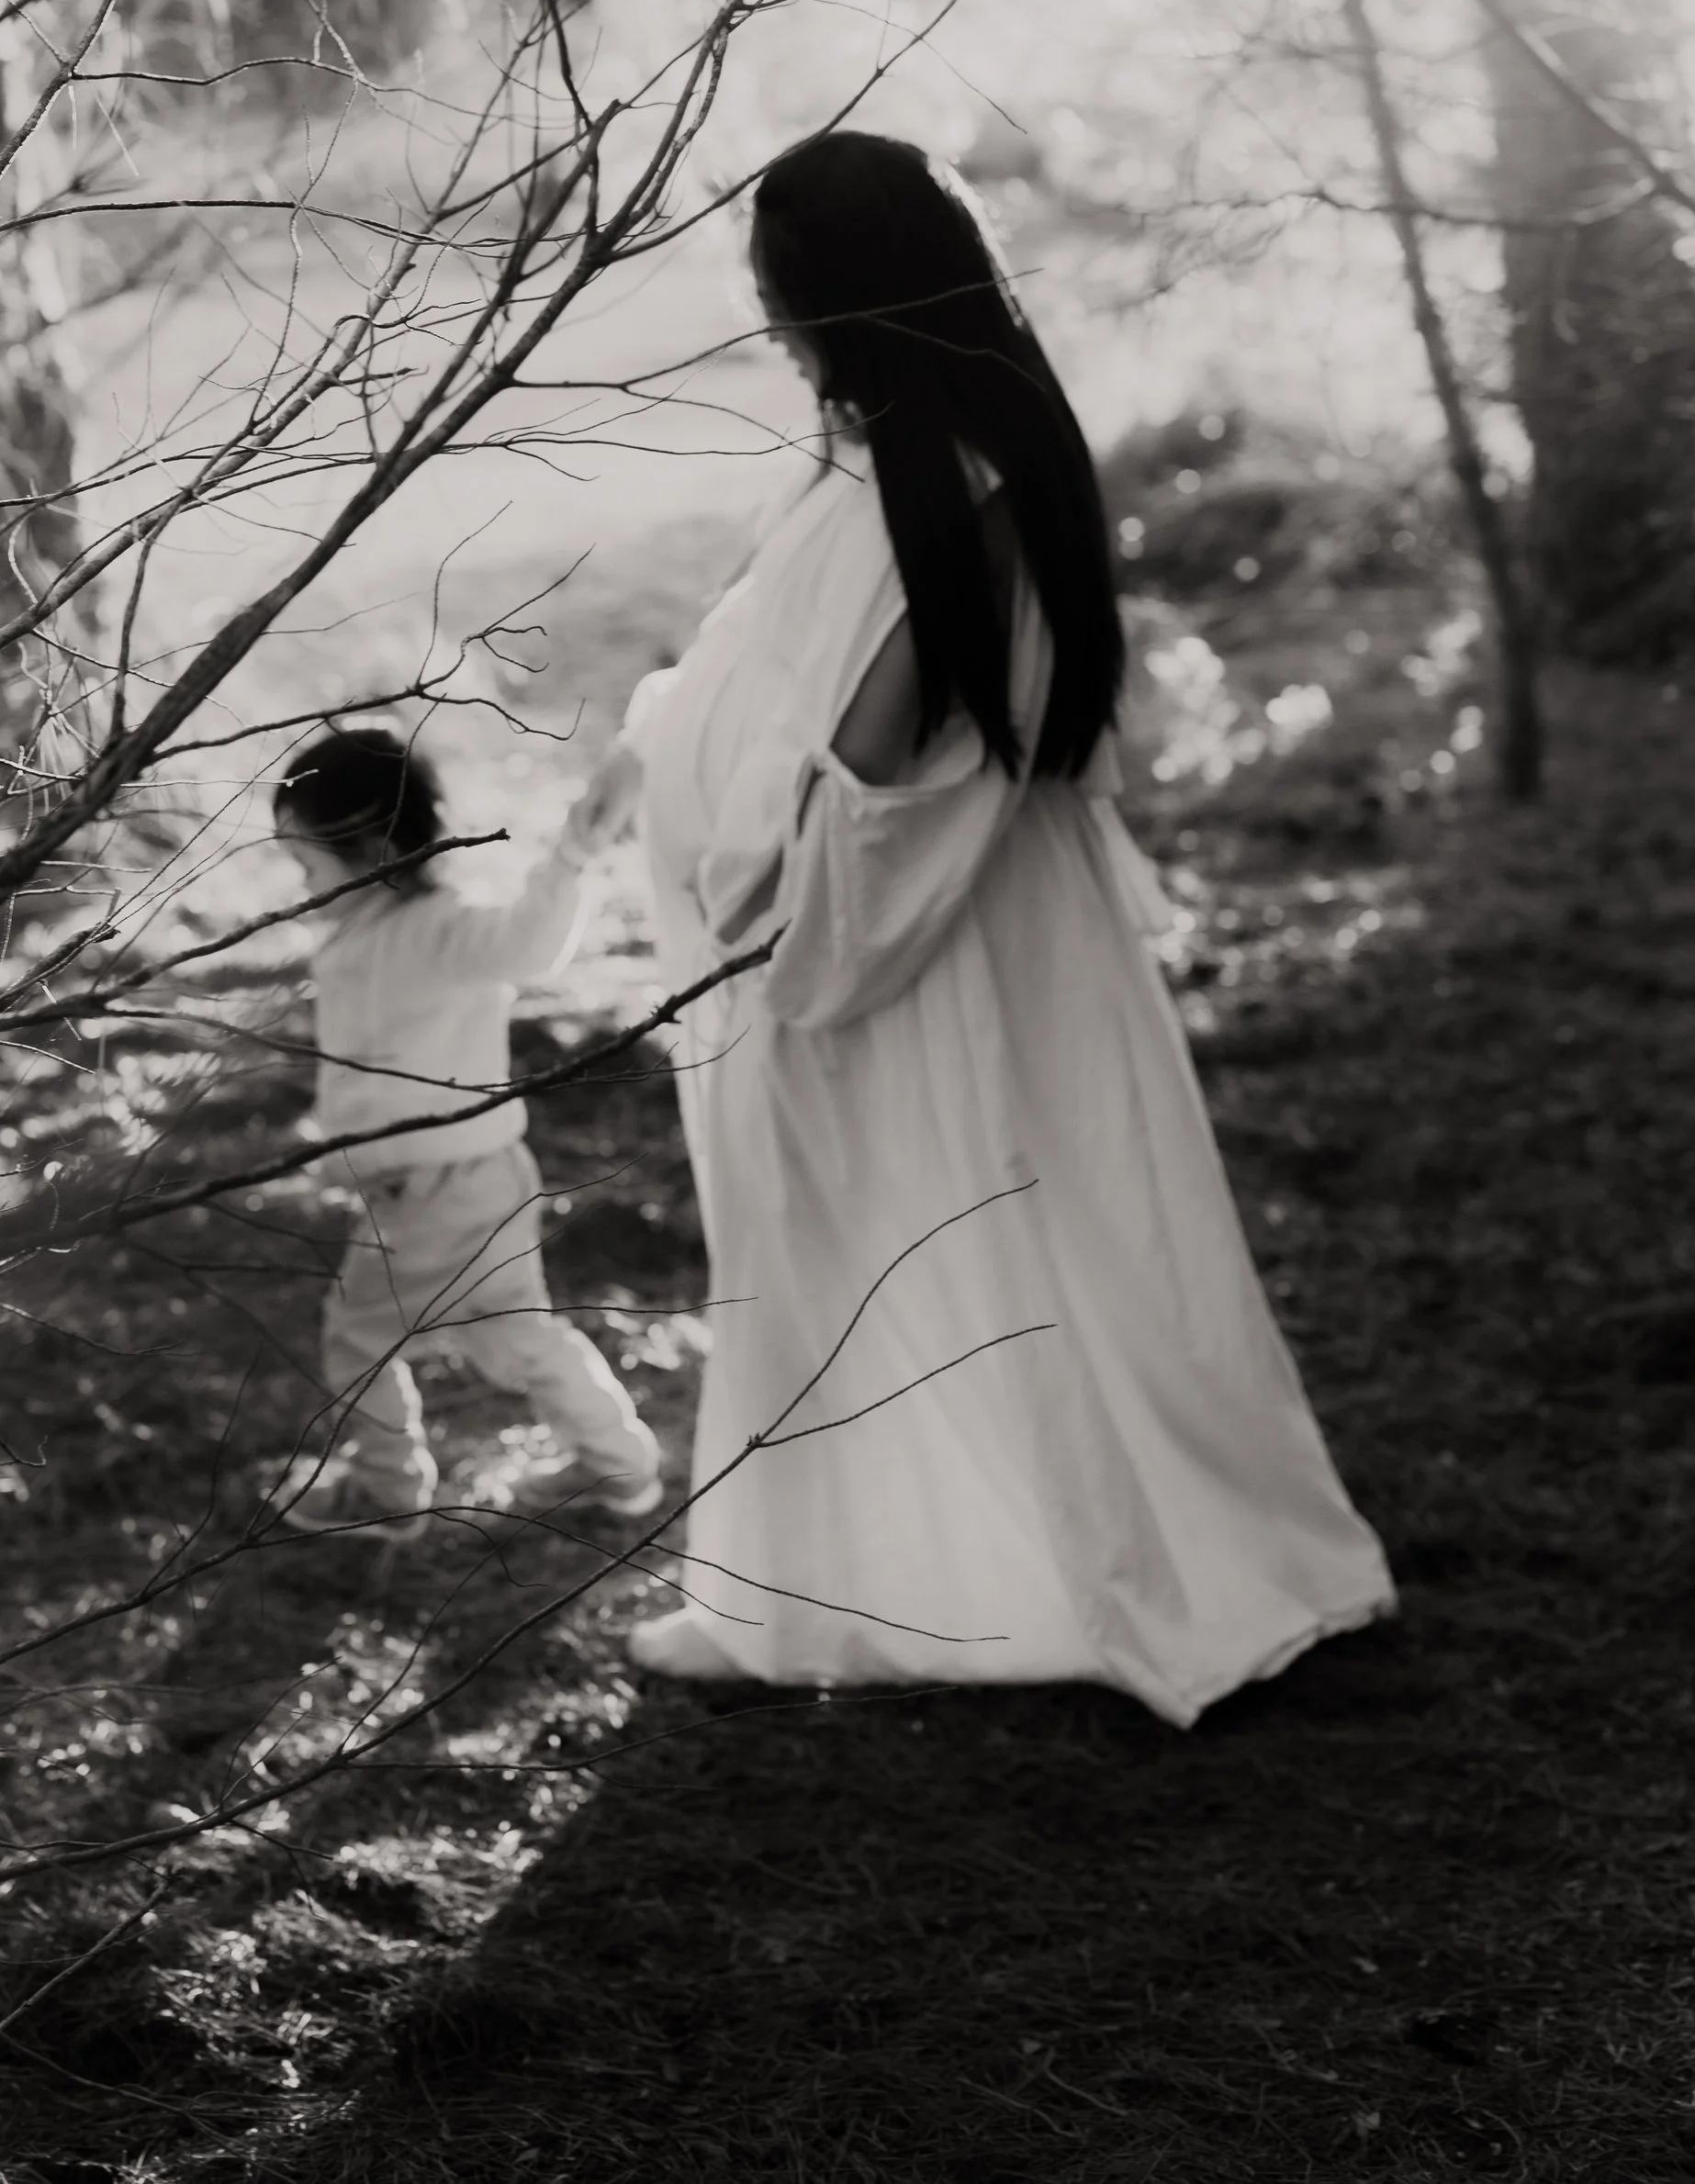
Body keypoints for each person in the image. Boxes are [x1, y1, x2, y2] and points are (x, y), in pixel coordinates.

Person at [585, 129, 1392, 1714]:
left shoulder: (960, 480)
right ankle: (825, 1577)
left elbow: (877, 752)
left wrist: (757, 848)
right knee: (874, 1226)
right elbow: (802, 663)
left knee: (956, 1222)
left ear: (849, 299)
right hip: (904, 908)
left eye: (781, 294)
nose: (770, 326)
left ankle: (923, 1580)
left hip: (917, 922)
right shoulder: (910, 447)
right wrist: (678, 743)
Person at [270, 725, 662, 1532]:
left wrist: (572, 856)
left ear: (375, 849)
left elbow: (527, 942)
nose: (299, 884)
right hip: (478, 1177)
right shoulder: (364, 932)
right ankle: (622, 1467)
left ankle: (386, 1493)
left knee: (359, 1340)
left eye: (306, 863)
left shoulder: (435, 929)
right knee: (517, 1336)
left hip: (432, 1193)